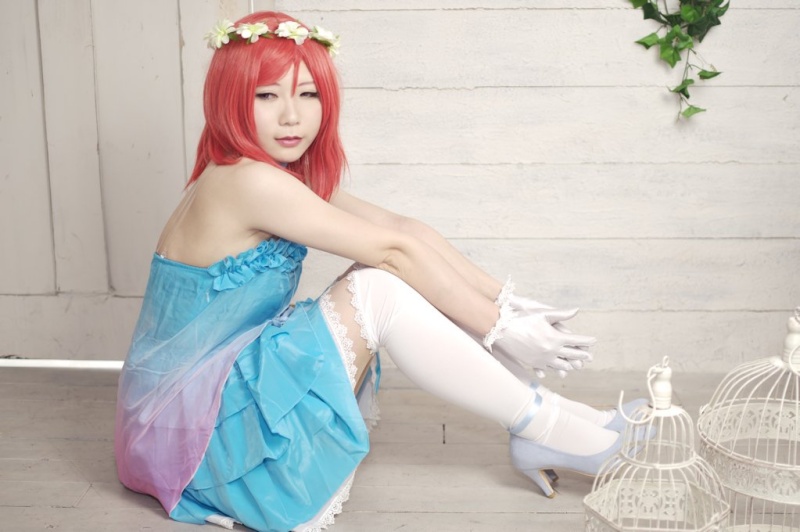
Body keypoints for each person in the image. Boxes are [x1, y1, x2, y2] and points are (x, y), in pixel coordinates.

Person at [114, 11, 641, 532]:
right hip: (189, 434)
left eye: (308, 94)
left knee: (387, 274)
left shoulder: (273, 174)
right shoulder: (247, 181)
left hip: (197, 407)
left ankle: (564, 420)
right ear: (230, 99)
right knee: (378, 287)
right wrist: (498, 328)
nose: (292, 116)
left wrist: (505, 304)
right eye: (267, 96)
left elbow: (402, 228)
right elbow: (393, 252)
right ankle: (548, 428)